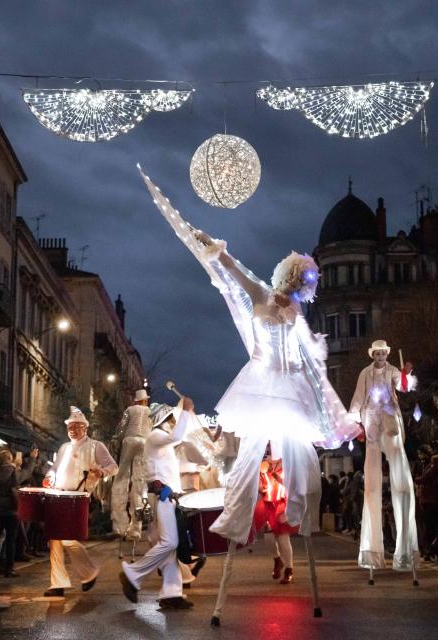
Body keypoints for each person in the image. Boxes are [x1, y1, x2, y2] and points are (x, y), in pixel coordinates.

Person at [139, 168, 360, 553]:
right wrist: (207, 242)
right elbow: (231, 267)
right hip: (260, 381)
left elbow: (308, 360)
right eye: (299, 280)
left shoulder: (296, 315)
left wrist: (334, 412)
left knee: (297, 453)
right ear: (289, 276)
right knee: (250, 454)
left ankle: (297, 514)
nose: (299, 288)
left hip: (288, 385)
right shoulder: (260, 292)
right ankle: (236, 518)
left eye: (304, 285)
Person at [349, 339, 420, 572]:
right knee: (371, 484)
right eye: (377, 353)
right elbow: (359, 395)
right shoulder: (365, 373)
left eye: (383, 353)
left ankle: (405, 552)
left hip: (389, 420)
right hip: (371, 420)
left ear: (387, 354)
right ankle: (372, 552)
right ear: (373, 355)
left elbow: (403, 386)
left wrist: (406, 375)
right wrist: (354, 421)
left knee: (400, 479)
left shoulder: (392, 370)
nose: (380, 356)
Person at [119, 398, 196, 610]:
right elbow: (177, 435)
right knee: (170, 543)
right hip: (162, 496)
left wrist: (186, 415)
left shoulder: (160, 439)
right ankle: (132, 573)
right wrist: (187, 411)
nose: (174, 422)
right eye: (172, 419)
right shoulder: (155, 436)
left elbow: (179, 437)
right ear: (164, 419)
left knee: (170, 547)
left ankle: (171, 593)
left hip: (167, 497)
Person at [42, 407, 118, 597]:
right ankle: (57, 584)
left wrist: (101, 472)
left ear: (85, 428)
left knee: (67, 538)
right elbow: (55, 468)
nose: (73, 430)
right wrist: (49, 476)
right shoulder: (64, 447)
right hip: (58, 495)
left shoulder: (95, 446)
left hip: (78, 497)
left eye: (77, 426)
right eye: (70, 427)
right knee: (55, 539)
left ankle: (89, 571)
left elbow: (113, 467)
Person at [111, 389, 152, 540]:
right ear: (145, 401)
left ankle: (120, 524)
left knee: (122, 477)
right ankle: (136, 528)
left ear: (136, 400)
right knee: (138, 482)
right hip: (144, 442)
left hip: (129, 440)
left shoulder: (129, 409)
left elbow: (121, 428)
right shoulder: (150, 411)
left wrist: (118, 438)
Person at [254, 445, 299, 584]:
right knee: (268, 537)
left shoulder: (287, 466)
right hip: (268, 504)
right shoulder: (263, 467)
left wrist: (277, 477)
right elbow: (261, 488)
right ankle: (277, 559)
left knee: (283, 538)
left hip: (282, 504)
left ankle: (289, 569)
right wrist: (260, 486)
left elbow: (292, 485)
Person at [0, 449, 22, 578]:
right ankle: (9, 568)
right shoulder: (13, 471)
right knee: (11, 540)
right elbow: (17, 484)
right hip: (11, 508)